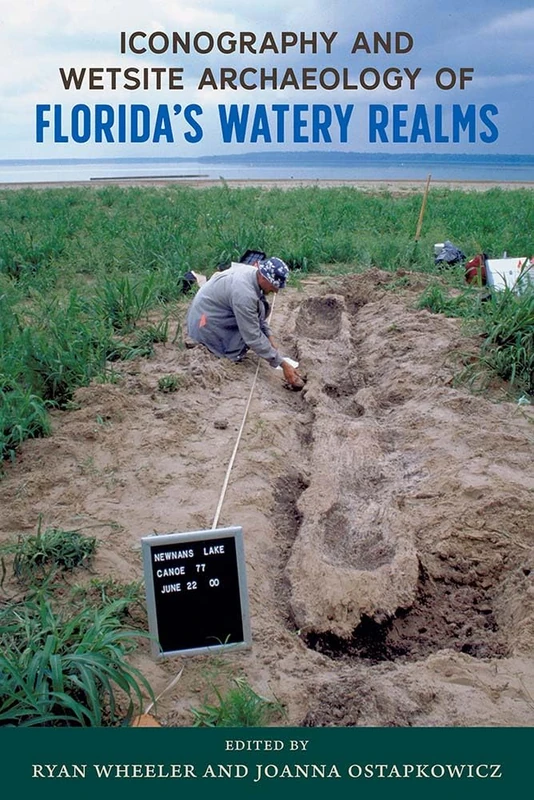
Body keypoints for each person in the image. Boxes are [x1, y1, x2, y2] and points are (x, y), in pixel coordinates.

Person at [186, 257, 304, 388]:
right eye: (275, 286)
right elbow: (252, 336)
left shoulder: (253, 273)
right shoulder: (244, 294)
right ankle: (215, 346)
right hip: (205, 324)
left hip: (210, 312)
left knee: (251, 326)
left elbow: (256, 314)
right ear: (264, 278)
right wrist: (282, 364)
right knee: (240, 342)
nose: (276, 291)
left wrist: (269, 336)